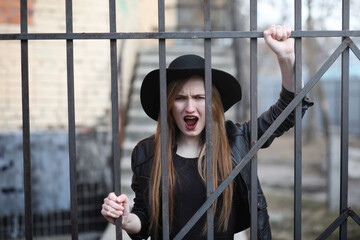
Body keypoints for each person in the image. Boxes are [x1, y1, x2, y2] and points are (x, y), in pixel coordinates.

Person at [101, 25, 313, 239]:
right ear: (169, 105)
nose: (190, 108)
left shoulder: (237, 141)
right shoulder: (146, 152)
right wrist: (126, 219)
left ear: (212, 104)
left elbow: (289, 110)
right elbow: (145, 219)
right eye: (180, 98)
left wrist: (286, 58)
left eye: (199, 98)